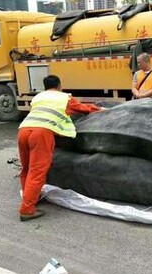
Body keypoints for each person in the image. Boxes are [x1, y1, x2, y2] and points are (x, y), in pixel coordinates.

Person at [18, 75, 104, 221]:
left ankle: (33, 196)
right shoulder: (64, 98)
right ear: (59, 86)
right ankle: (27, 210)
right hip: (42, 132)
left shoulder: (38, 97)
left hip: (23, 130)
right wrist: (99, 109)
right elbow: (82, 108)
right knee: (37, 171)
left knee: (26, 168)